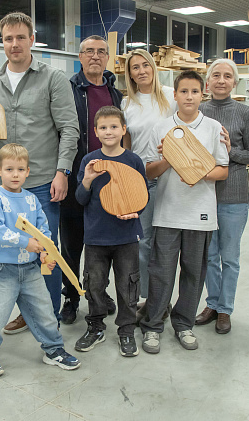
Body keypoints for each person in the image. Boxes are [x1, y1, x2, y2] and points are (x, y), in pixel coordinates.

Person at [0, 12, 79, 333]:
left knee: (45, 251)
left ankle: (48, 317)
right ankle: (26, 312)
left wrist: (63, 172)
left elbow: (69, 128)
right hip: (4, 187)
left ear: (32, 39)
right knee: (12, 252)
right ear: (1, 42)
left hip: (43, 181)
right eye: (8, 38)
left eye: (20, 37)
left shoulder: (53, 78)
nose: (14, 44)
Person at [0, 143, 81, 378]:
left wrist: (43, 252)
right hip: (2, 269)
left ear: (28, 172)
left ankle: (54, 349)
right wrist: (25, 242)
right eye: (9, 169)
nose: (15, 174)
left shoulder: (32, 200)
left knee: (44, 312)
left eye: (20, 170)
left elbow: (43, 229)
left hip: (31, 269)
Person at [140, 70, 229, 354]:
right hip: (167, 212)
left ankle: (184, 324)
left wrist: (197, 172)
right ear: (175, 95)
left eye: (194, 91)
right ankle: (153, 326)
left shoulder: (214, 128)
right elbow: (148, 170)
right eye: (183, 91)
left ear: (202, 95)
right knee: (161, 272)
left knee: (193, 272)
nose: (189, 96)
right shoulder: (162, 127)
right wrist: (168, 159)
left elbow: (223, 170)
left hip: (200, 214)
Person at [60, 35, 124, 324]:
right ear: (80, 56)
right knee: (72, 243)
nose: (95, 56)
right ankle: (71, 297)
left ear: (108, 57)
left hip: (108, 180)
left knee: (101, 243)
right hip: (76, 176)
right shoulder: (68, 89)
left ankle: (99, 293)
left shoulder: (116, 92)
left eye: (101, 52)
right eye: (89, 52)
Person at [195, 59, 249, 334]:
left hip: (234, 196)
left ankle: (225, 310)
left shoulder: (244, 113)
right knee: (209, 255)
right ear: (207, 82)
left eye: (227, 76)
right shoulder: (197, 110)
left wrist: (230, 150)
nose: (221, 80)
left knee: (230, 257)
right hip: (202, 195)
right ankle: (212, 303)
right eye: (216, 76)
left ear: (235, 82)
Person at [73, 106, 146, 357]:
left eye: (114, 126)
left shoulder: (133, 161)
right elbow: (80, 199)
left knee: (128, 285)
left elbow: (141, 195)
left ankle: (126, 329)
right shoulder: (89, 160)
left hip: (126, 235)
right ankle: (95, 326)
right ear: (95, 132)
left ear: (123, 129)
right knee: (94, 283)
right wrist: (88, 179)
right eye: (103, 127)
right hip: (96, 236)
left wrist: (136, 211)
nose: (109, 131)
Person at [121, 48, 176, 320]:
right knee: (143, 242)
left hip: (168, 175)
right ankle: (150, 298)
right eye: (135, 67)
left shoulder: (169, 95)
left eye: (145, 65)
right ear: (129, 73)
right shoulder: (127, 104)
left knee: (164, 242)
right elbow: (127, 141)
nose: (141, 71)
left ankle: (161, 299)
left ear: (153, 67)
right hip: (140, 178)